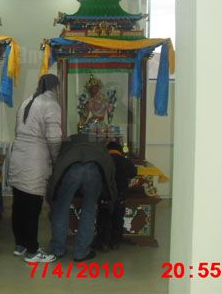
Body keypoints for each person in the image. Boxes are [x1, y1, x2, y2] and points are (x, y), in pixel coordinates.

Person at [7, 74, 61, 264]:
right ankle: (32, 251)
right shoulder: (51, 104)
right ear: (56, 87)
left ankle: (20, 245)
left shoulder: (27, 101)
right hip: (34, 160)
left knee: (19, 204)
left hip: (18, 155)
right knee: (32, 207)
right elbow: (54, 139)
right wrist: (56, 160)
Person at [47, 133, 117, 262]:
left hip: (71, 168)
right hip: (94, 169)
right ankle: (81, 252)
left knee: (61, 207)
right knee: (89, 209)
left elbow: (58, 161)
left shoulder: (69, 140)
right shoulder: (98, 142)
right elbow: (109, 166)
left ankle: (58, 249)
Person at [93, 141, 137, 251]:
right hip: (119, 196)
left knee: (103, 219)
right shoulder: (125, 160)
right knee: (118, 219)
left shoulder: (102, 161)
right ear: (120, 150)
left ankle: (103, 243)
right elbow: (133, 173)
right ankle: (115, 242)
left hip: (104, 196)